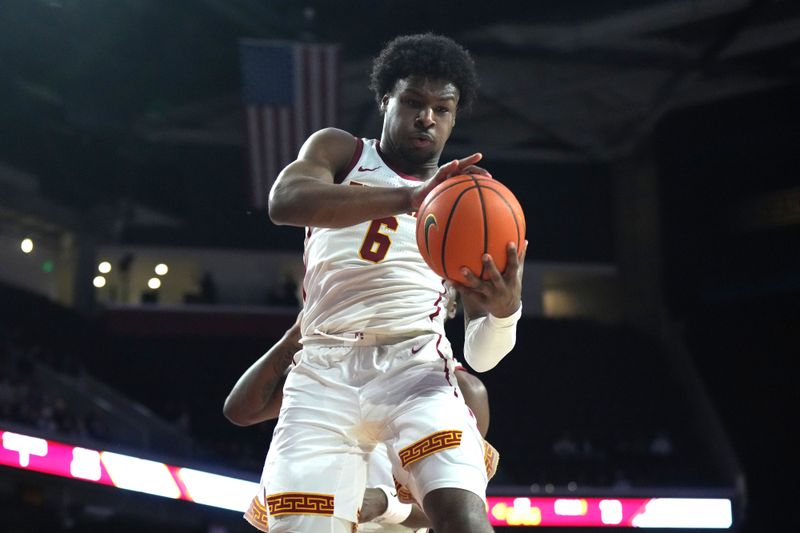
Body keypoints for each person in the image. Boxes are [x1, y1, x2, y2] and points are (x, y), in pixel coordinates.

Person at [260, 33, 526, 533]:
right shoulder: (341, 151)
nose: (427, 117)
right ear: (386, 100)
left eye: (442, 109)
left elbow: (484, 357)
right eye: (414, 102)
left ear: (453, 119)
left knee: (461, 514)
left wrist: (505, 311)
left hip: (414, 367)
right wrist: (407, 199)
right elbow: (285, 201)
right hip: (323, 370)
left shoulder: (468, 204)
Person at [224, 308, 497, 532]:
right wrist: (292, 338)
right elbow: (240, 410)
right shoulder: (323, 375)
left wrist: (386, 504)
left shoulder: (463, 389)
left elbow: (455, 505)